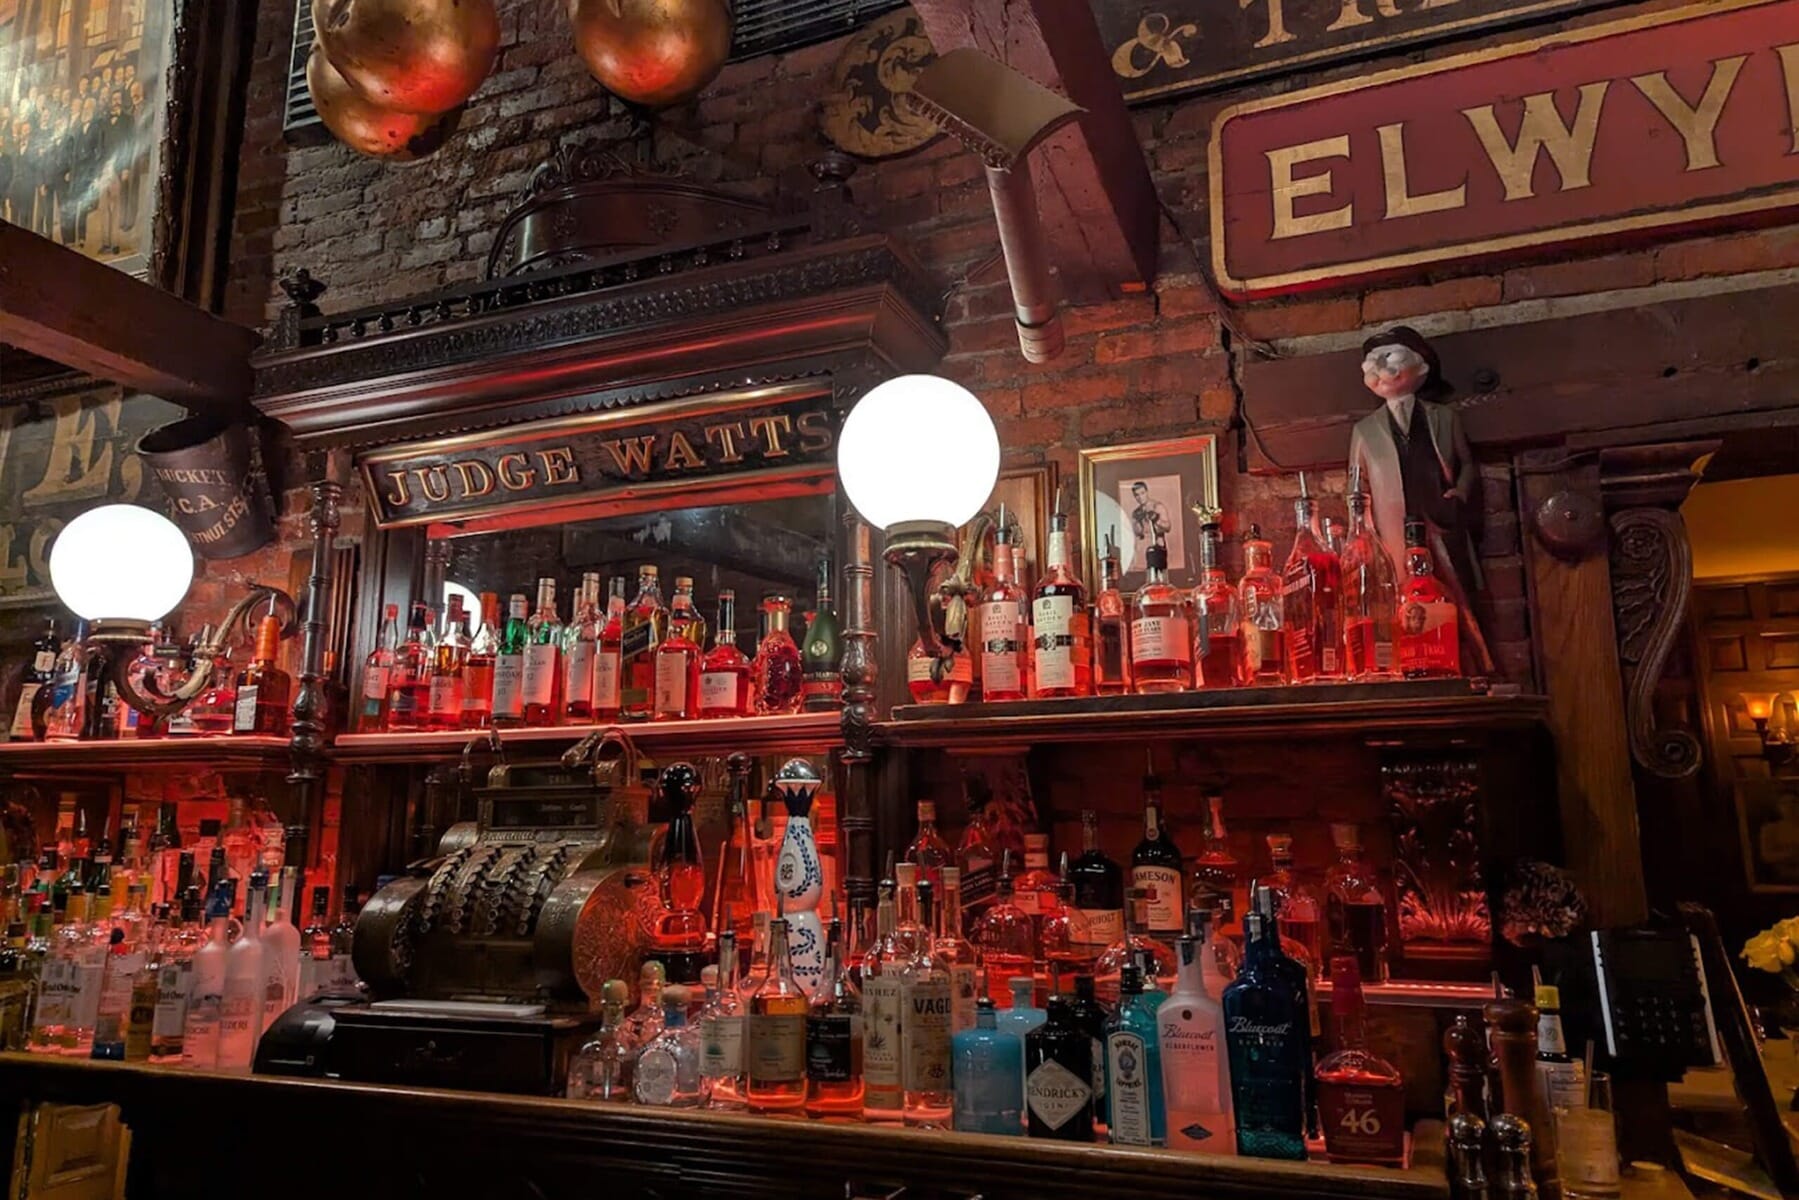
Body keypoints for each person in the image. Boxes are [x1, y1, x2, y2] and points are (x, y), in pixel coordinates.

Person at [1348, 325, 1496, 675]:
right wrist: (1363, 532)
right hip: (1391, 527)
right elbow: (1357, 486)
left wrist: (1459, 492)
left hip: (1440, 516)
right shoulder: (1364, 431)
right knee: (1398, 596)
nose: (1378, 368)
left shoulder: (1443, 417)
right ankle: (1407, 666)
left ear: (1423, 366)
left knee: (1457, 589)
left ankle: (1478, 665)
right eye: (1370, 363)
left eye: (1389, 357)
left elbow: (1467, 463)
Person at [1127, 480, 1172, 568]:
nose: (1140, 497)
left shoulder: (1157, 506)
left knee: (1160, 575)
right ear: (1134, 496)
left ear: (1147, 492)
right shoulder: (1136, 512)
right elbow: (1138, 533)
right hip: (1143, 548)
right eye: (1137, 495)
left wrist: (1156, 519)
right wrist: (1138, 522)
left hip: (1158, 546)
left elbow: (1168, 527)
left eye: (1142, 493)